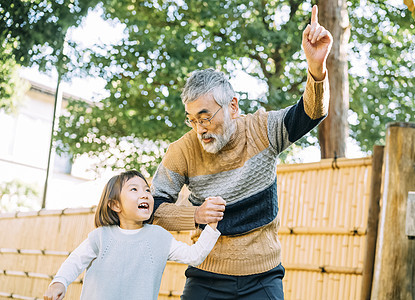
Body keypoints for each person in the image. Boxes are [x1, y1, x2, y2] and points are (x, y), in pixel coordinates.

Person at [150, 5, 332, 299]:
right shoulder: (182, 150)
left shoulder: (262, 129)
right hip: (206, 276)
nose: (200, 128)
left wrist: (316, 69)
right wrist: (195, 214)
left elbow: (311, 113)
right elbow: (153, 209)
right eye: (192, 119)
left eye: (206, 117)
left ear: (232, 106)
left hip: (263, 276)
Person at [43, 170, 221, 300]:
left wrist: (211, 226)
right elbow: (75, 261)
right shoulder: (100, 237)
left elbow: (194, 255)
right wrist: (59, 281)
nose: (144, 195)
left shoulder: (160, 237)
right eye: (134, 190)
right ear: (115, 205)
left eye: (147, 190)